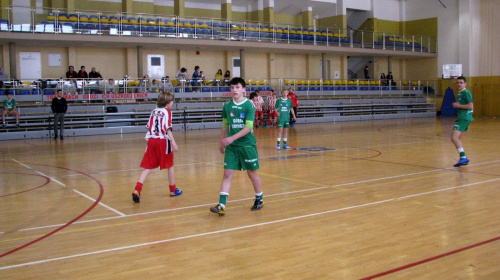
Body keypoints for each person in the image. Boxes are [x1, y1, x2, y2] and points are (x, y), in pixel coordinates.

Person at [209, 77, 263, 216]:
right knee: (227, 174)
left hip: (247, 145)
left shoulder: (249, 105)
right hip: (232, 147)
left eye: (237, 87)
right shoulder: (227, 106)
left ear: (244, 89)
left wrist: (231, 138)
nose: (234, 90)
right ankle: (221, 205)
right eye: (232, 87)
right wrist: (222, 141)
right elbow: (225, 124)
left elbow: (248, 127)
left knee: (252, 173)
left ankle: (259, 198)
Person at [132, 91, 182, 203]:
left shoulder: (154, 111)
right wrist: (173, 142)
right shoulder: (167, 112)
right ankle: (173, 189)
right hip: (162, 141)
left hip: (151, 140)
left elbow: (149, 126)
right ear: (168, 102)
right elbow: (168, 128)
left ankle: (137, 189)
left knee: (148, 167)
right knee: (170, 165)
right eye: (172, 101)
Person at [451, 76, 474, 167]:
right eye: (458, 82)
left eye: (461, 82)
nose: (459, 84)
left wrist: (458, 106)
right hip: (461, 117)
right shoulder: (459, 93)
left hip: (464, 117)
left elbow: (470, 106)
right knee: (457, 138)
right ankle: (463, 158)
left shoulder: (466, 92)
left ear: (465, 84)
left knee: (454, 138)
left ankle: (463, 157)